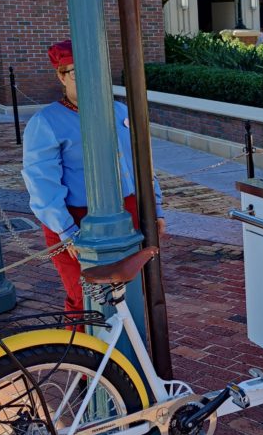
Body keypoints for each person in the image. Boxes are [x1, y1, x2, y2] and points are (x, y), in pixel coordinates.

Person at [22, 39, 166, 313]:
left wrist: (155, 207)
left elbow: (142, 164)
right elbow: (42, 185)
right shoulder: (45, 122)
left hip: (129, 213)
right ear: (61, 76)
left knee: (132, 293)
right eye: (77, 72)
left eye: (94, 71)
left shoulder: (121, 111)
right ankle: (79, 353)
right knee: (85, 297)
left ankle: (123, 353)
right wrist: (66, 231)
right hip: (75, 220)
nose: (88, 80)